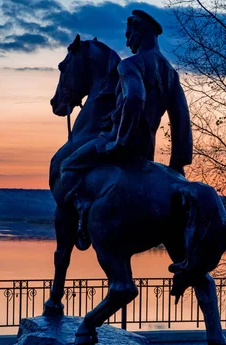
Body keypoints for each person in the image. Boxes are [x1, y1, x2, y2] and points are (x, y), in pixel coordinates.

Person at [60, 9, 193, 250]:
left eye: (129, 34)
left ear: (140, 33)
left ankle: (83, 215)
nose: (127, 40)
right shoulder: (171, 74)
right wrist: (178, 164)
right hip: (147, 152)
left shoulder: (131, 65)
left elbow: (134, 99)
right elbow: (181, 120)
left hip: (122, 143)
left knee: (67, 165)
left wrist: (119, 141)